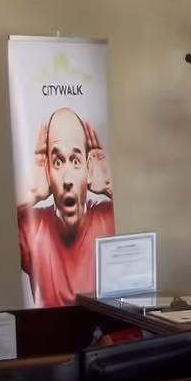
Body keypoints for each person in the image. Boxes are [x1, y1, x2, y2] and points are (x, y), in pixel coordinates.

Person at [17, 107, 115, 306]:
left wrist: (109, 185)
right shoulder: (31, 229)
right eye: (58, 163)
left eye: (76, 161)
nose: (67, 179)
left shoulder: (109, 219)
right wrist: (30, 192)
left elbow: (148, 229)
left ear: (88, 168)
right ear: (48, 172)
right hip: (49, 327)